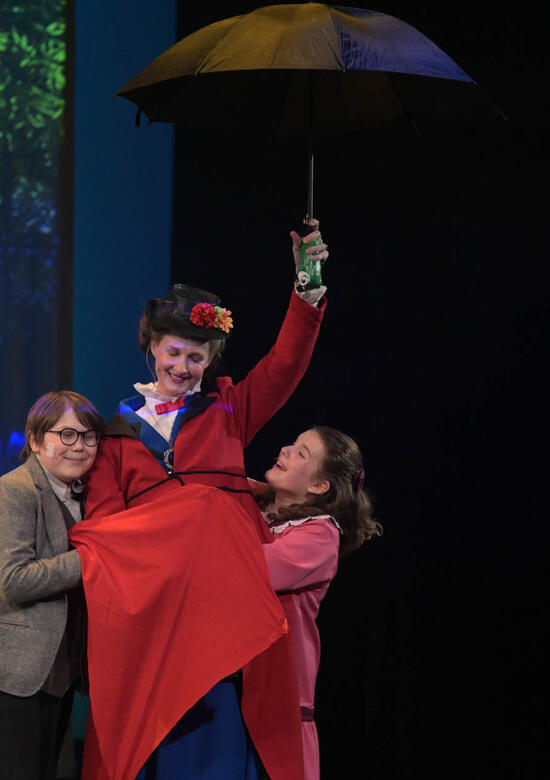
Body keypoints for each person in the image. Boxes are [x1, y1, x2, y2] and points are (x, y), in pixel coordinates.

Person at [74, 222, 330, 780]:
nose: (182, 367)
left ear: (210, 360)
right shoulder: (116, 435)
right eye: (173, 353)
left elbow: (284, 366)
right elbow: (103, 527)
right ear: (151, 350)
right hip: (155, 617)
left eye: (196, 357)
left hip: (219, 620)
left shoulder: (229, 410)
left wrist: (306, 287)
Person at [0, 390, 106, 780]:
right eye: (67, 435)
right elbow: (15, 580)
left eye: (89, 437)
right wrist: (95, 558)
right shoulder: (15, 490)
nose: (80, 446)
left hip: (54, 677)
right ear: (36, 440)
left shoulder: (87, 497)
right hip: (5, 674)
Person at [257, 426, 382, 780]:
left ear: (319, 486)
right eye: (292, 443)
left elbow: (249, 569)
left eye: (301, 453)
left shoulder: (319, 535)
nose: (285, 449)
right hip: (235, 690)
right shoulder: (252, 502)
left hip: (279, 708)